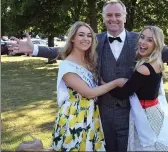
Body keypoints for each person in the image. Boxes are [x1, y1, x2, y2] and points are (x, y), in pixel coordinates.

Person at [10, 0, 168, 152]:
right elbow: (66, 51)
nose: (113, 19)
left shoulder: (141, 39)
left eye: (118, 15)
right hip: (101, 115)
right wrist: (35, 50)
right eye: (109, 15)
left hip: (132, 115)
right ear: (104, 17)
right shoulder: (94, 41)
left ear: (124, 17)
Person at [46, 21, 126, 151]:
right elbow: (89, 92)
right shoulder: (67, 65)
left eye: (89, 36)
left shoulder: (89, 61)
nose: (86, 39)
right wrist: (116, 83)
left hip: (91, 114)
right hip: (75, 116)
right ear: (72, 38)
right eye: (81, 35)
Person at [107, 25, 168, 151]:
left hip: (145, 115)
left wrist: (109, 84)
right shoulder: (157, 63)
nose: (143, 42)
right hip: (155, 110)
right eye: (142, 37)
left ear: (156, 44)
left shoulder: (144, 69)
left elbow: (122, 94)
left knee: (147, 145)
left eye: (150, 40)